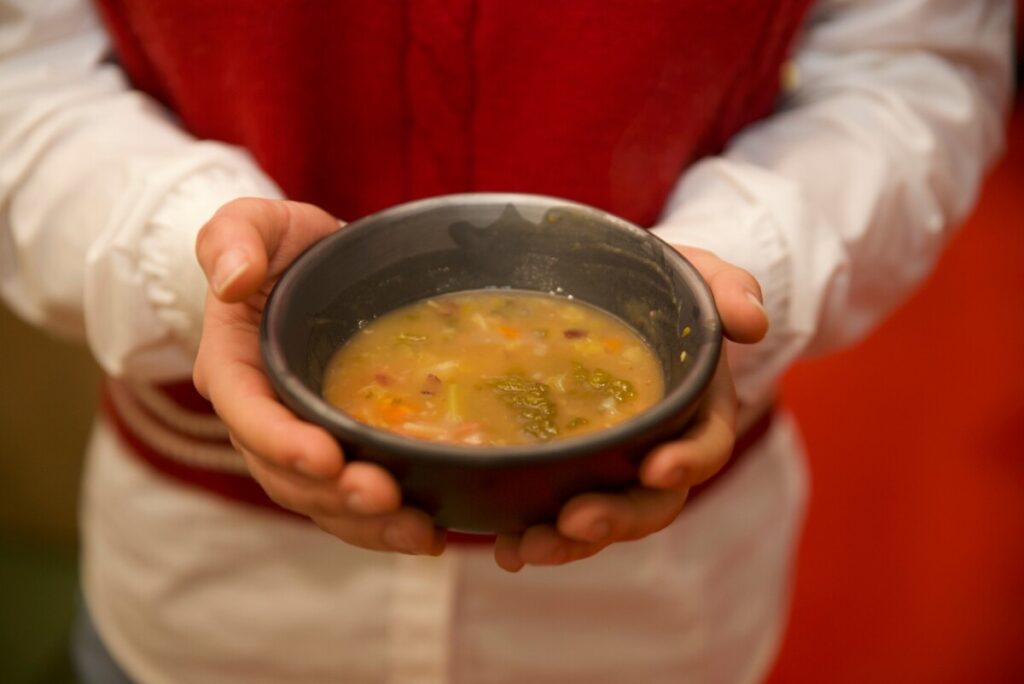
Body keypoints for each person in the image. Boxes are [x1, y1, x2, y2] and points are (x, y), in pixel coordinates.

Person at [0, 1, 1012, 682]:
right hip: (209, 613)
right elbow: (22, 79)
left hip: (662, 623)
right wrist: (198, 255)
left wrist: (722, 275)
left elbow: (913, 68)